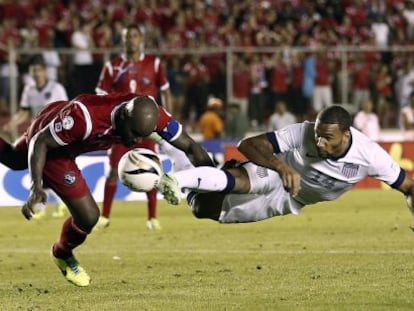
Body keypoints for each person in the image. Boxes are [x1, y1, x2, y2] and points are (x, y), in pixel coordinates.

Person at [0, 93, 213, 287]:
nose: (138, 141)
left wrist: (216, 182)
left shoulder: (154, 114)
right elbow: (40, 142)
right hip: (53, 146)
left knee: (11, 157)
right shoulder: (85, 120)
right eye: (135, 134)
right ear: (123, 119)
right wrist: (36, 186)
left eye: (143, 135)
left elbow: (191, 147)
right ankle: (62, 254)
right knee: (89, 216)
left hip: (58, 123)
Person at [157, 105, 414, 229]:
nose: (320, 143)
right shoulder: (303, 132)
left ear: (346, 135)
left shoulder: (370, 155)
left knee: (203, 209)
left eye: (328, 138)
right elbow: (248, 145)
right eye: (318, 136)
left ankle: (175, 154)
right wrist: (281, 167)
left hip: (291, 201)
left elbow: (409, 188)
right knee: (241, 180)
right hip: (276, 173)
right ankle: (176, 179)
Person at [95, 24, 172, 231]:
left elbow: (165, 91)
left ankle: (152, 217)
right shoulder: (112, 66)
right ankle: (105, 216)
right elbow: (100, 96)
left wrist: (169, 119)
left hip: (147, 127)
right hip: (120, 129)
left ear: (141, 40)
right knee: (112, 171)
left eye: (135, 36)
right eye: (127, 37)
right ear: (123, 40)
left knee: (151, 169)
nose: (131, 40)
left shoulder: (154, 64)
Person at [2, 55, 68, 219]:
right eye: (33, 71)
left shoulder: (56, 88)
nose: (36, 74)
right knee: (40, 171)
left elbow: (67, 110)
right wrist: (12, 123)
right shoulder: (29, 90)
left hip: (54, 136)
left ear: (44, 71)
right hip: (36, 136)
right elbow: (24, 112)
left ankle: (53, 204)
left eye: (39, 70)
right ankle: (46, 206)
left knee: (47, 170)